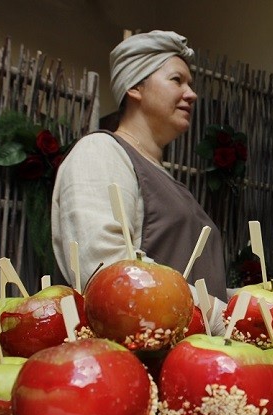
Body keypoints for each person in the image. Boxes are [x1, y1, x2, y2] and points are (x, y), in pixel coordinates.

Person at [51, 30, 227, 331]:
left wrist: (250, 307)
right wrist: (224, 319)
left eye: (190, 84)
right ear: (135, 86)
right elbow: (110, 272)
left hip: (194, 356)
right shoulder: (100, 152)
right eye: (177, 80)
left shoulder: (161, 174)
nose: (191, 93)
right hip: (141, 360)